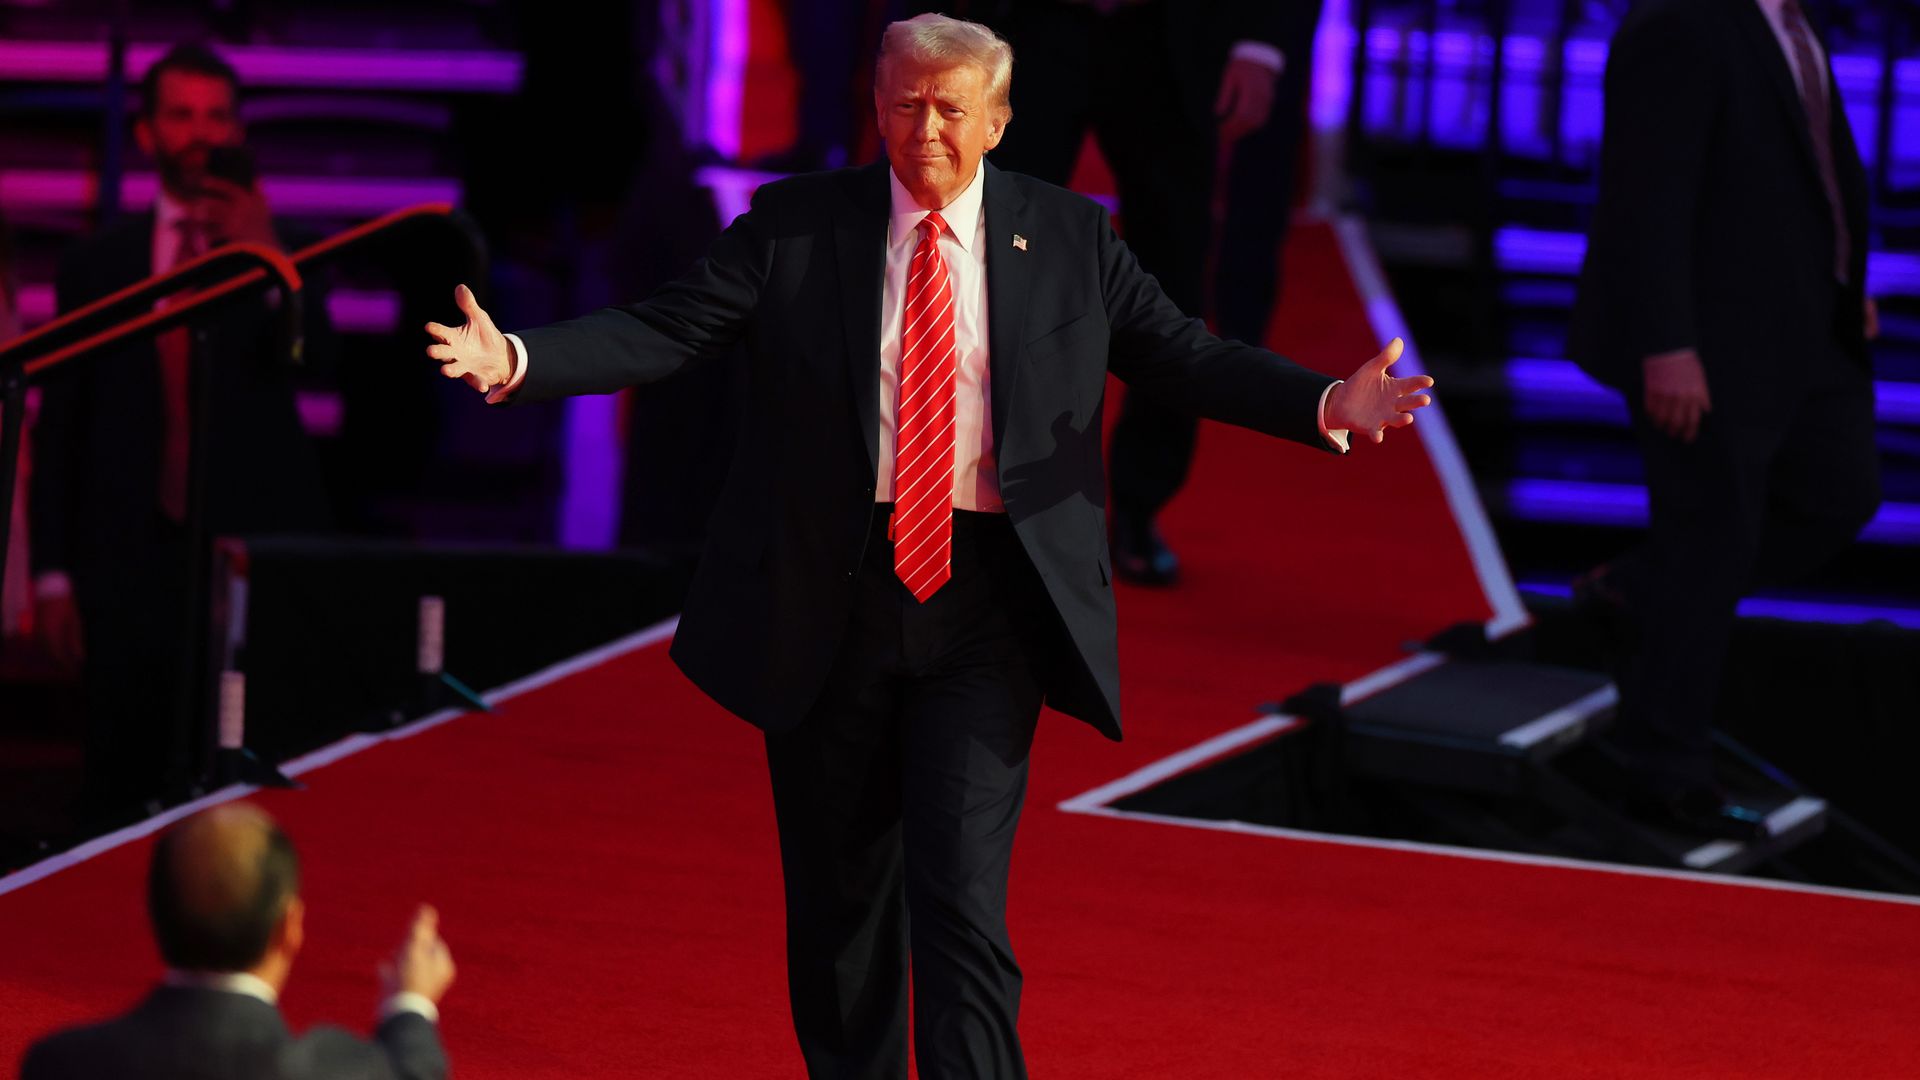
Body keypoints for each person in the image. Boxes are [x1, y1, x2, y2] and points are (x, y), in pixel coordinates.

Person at [425, 14, 1431, 1077]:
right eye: (906, 104)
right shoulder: (799, 229)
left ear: (999, 120)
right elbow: (667, 327)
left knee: (960, 907)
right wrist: (520, 357)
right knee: (842, 916)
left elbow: (1183, 355)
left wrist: (1323, 399)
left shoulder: (1073, 242)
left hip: (987, 610)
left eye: (953, 108)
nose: (928, 130)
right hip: (833, 600)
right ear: (876, 106)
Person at [1567, 0, 1880, 837]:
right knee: (1711, 543)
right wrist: (1667, 345)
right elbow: (1646, 194)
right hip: (1705, 339)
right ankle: (1661, 769)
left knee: (1840, 496)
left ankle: (1630, 593)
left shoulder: (1792, 18)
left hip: (1809, 326)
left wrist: (1846, 279)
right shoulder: (1681, 19)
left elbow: (1815, 166)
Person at [28, 43, 331, 826]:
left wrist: (268, 256)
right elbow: (63, 423)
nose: (200, 133)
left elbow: (320, 368)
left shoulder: (279, 252)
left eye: (217, 115)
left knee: (240, 771)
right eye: (180, 115)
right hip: (125, 558)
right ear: (146, 134)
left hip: (240, 560)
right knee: (117, 782)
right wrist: (53, 575)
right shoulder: (98, 264)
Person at [930, 0, 1294, 584]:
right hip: (1027, 27)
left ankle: (1141, 504)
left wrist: (1261, 43)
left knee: (1172, 275)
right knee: (979, 248)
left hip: (1169, 35)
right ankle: (954, 490)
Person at [19, 803, 453, 1079]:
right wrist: (409, 1003)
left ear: (152, 914)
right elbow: (414, 1071)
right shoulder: (334, 1070)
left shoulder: (60, 1064)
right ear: (289, 929)